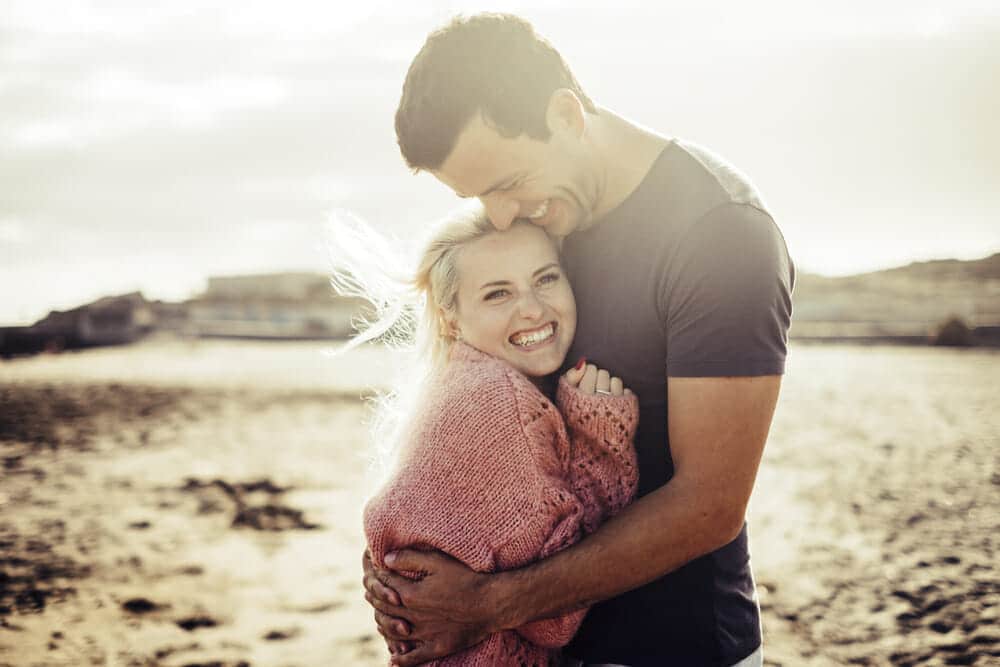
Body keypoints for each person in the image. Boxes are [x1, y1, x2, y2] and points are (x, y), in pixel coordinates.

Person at [362, 12, 795, 667]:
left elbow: (710, 504)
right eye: (480, 196)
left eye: (506, 184)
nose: (500, 215)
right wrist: (399, 566)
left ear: (565, 115)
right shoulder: (544, 217)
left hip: (675, 648)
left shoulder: (720, 234)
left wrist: (486, 604)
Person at [341, 210, 641, 665]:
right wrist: (601, 442)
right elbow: (554, 619)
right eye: (498, 293)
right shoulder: (502, 403)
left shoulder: (456, 383)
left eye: (545, 278)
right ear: (451, 318)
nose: (533, 309)